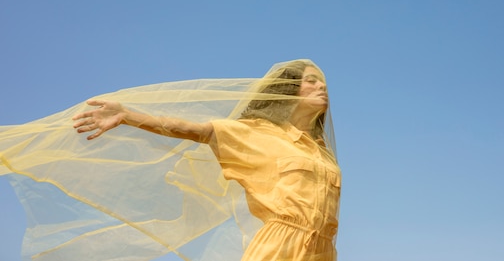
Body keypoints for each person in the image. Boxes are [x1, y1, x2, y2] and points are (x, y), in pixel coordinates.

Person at [0, 59, 340, 261]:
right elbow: (196, 131)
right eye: (310, 81)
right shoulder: (257, 134)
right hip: (278, 247)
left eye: (322, 82)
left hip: (324, 251)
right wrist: (128, 116)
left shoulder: (320, 151)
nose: (320, 87)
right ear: (289, 88)